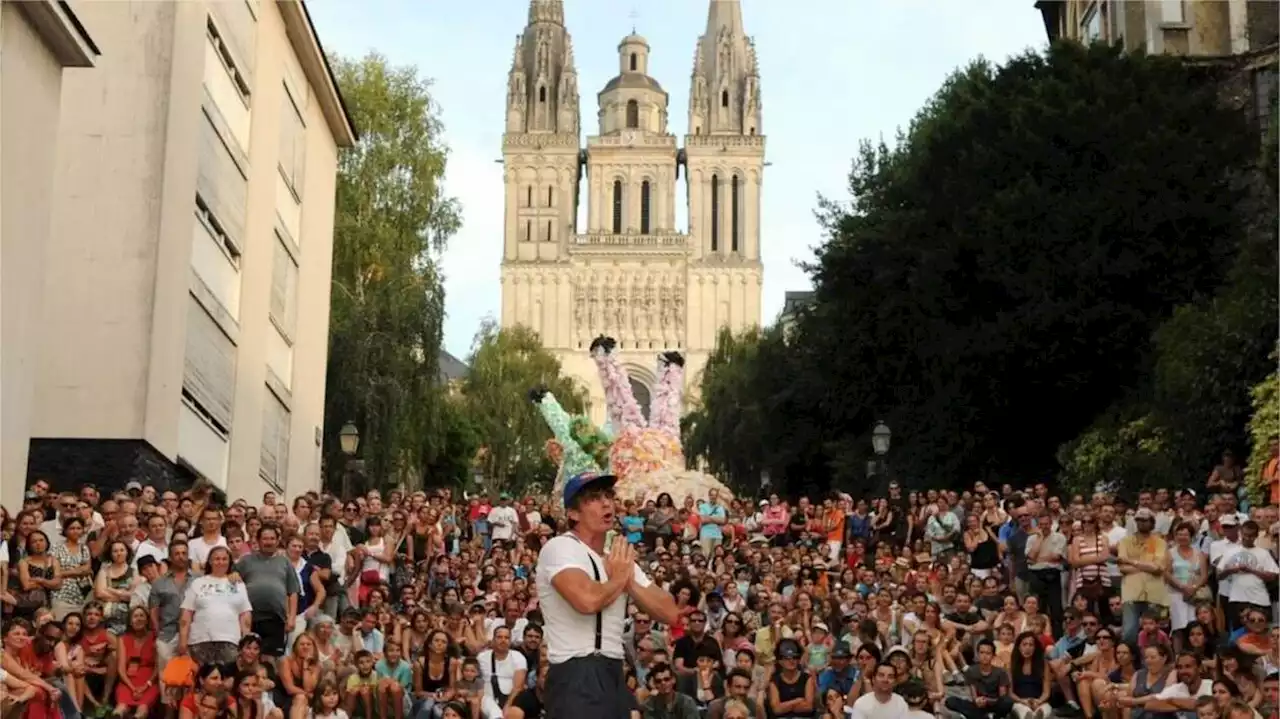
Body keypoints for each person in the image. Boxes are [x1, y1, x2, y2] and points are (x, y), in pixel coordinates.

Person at [536, 472, 678, 719]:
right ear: (573, 513)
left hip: (613, 670)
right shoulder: (560, 547)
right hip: (575, 670)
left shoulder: (617, 560)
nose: (606, 503)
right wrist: (620, 579)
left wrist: (628, 582)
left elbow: (670, 613)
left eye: (608, 496)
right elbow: (587, 601)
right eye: (593, 498)